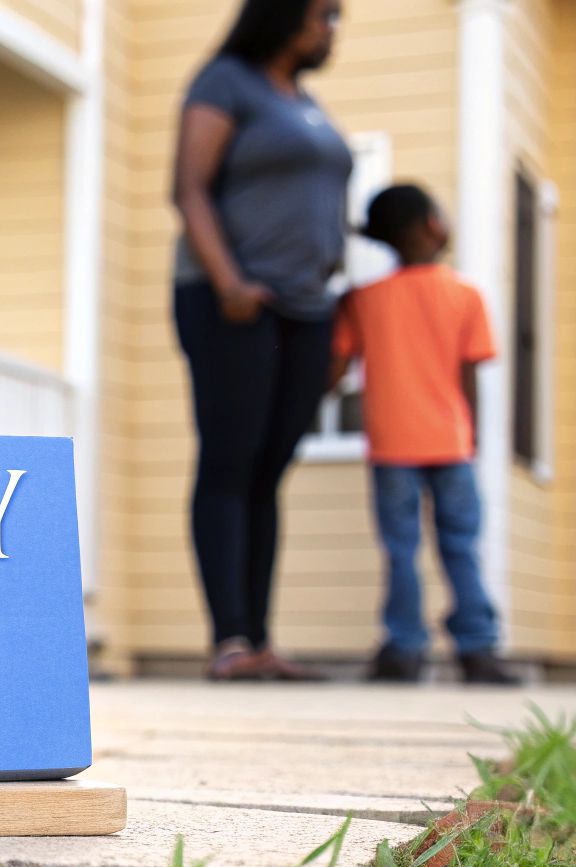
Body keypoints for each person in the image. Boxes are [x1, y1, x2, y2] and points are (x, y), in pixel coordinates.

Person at [171, 0, 350, 680]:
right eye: (325, 15)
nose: (332, 30)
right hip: (235, 302)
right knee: (230, 461)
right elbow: (189, 190)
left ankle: (260, 639)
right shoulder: (225, 82)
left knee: (269, 469)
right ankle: (231, 641)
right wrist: (230, 284)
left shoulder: (303, 101)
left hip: (307, 308)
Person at [332, 184, 521, 685]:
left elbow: (334, 370)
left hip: (392, 445)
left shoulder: (362, 300)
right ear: (432, 226)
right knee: (461, 545)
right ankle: (477, 649)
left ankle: (403, 650)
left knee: (401, 549)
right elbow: (469, 377)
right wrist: (471, 437)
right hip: (452, 444)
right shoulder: (466, 295)